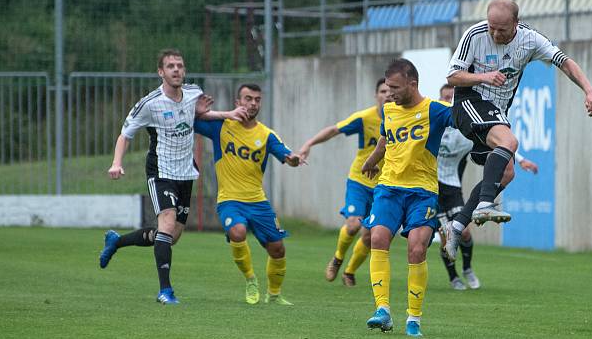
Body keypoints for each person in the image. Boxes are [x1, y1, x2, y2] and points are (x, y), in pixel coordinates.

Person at [443, 0, 592, 261]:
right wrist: (484, 76)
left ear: (516, 23)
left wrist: (589, 88)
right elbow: (452, 76)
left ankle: (456, 226)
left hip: (496, 112)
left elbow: (564, 62)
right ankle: (484, 206)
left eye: (501, 29)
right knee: (509, 142)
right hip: (469, 101)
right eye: (492, 26)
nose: (494, 33)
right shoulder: (474, 34)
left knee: (506, 173)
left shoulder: (530, 40)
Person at [99, 49, 247, 305]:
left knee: (171, 236)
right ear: (161, 72)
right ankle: (165, 291)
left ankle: (117, 241)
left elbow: (197, 115)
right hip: (161, 171)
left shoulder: (193, 93)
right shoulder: (150, 103)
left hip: (185, 172)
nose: (176, 70)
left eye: (179, 65)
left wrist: (228, 114)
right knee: (166, 225)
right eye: (170, 66)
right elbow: (125, 134)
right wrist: (116, 163)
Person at [360, 58, 454, 338]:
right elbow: (386, 139)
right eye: (387, 87)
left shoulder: (435, 111)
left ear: (413, 84)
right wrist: (372, 160)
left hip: (422, 191)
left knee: (417, 248)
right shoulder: (389, 110)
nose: (390, 94)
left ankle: (413, 318)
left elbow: (464, 119)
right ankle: (383, 310)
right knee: (377, 238)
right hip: (389, 187)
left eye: (395, 88)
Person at [194, 83, 304, 305]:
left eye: (257, 99)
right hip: (229, 200)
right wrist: (199, 111)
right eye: (248, 98)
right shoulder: (221, 127)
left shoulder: (266, 135)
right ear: (238, 102)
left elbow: (287, 156)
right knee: (238, 231)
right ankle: (250, 280)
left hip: (258, 202)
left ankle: (274, 294)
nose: (253, 103)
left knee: (277, 248)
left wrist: (293, 160)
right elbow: (190, 122)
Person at [435, 84, 537, 291]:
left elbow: (497, 142)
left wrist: (521, 159)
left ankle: (467, 269)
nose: (448, 102)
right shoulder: (433, 125)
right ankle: (453, 277)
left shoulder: (462, 130)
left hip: (452, 187)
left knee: (464, 234)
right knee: (439, 236)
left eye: (451, 98)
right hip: (430, 188)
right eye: (444, 98)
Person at [297, 78, 391, 287]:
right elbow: (334, 130)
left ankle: (349, 272)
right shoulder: (364, 118)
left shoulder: (402, 119)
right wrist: (309, 143)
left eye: (390, 91)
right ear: (376, 95)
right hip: (359, 180)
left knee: (370, 236)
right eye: (382, 91)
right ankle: (338, 258)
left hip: (384, 186)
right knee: (353, 225)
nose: (387, 95)